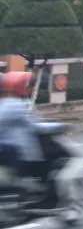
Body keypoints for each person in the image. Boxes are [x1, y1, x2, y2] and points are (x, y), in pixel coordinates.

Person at [0, 72, 50, 202]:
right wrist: (58, 126)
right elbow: (35, 125)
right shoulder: (14, 104)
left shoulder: (7, 103)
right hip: (18, 152)